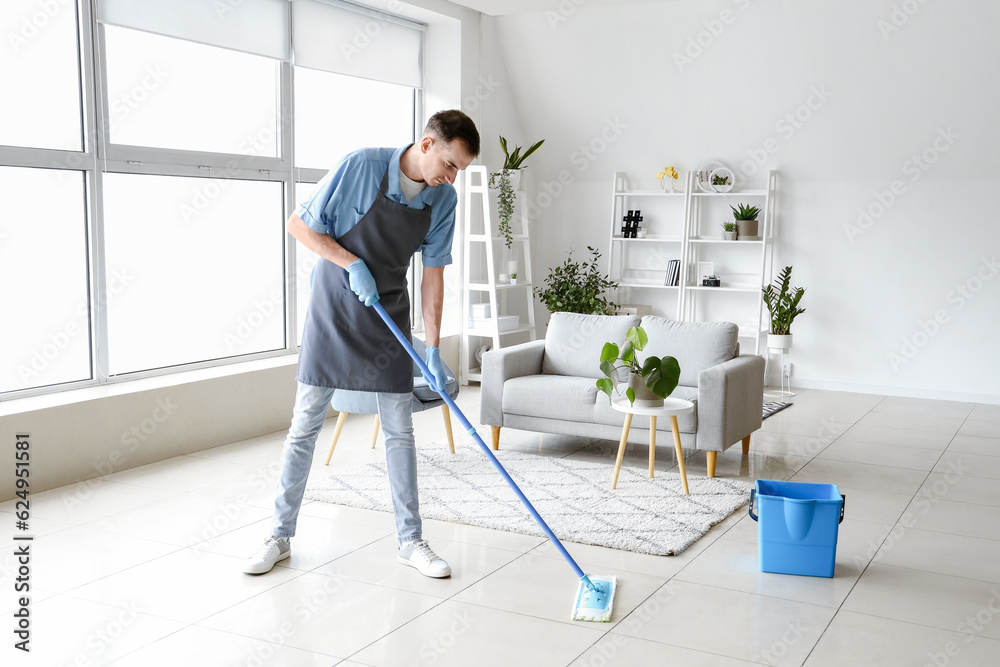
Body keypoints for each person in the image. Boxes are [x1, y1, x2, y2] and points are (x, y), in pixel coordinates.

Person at [244, 110, 480, 578]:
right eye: (450, 165)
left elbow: (434, 278)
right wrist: (350, 262)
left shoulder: (443, 201)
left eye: (460, 172)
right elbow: (299, 225)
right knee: (306, 425)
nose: (451, 178)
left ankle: (411, 541)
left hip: (388, 310)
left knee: (400, 430)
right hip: (333, 306)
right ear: (428, 144)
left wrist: (433, 349)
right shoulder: (361, 166)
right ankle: (278, 535)